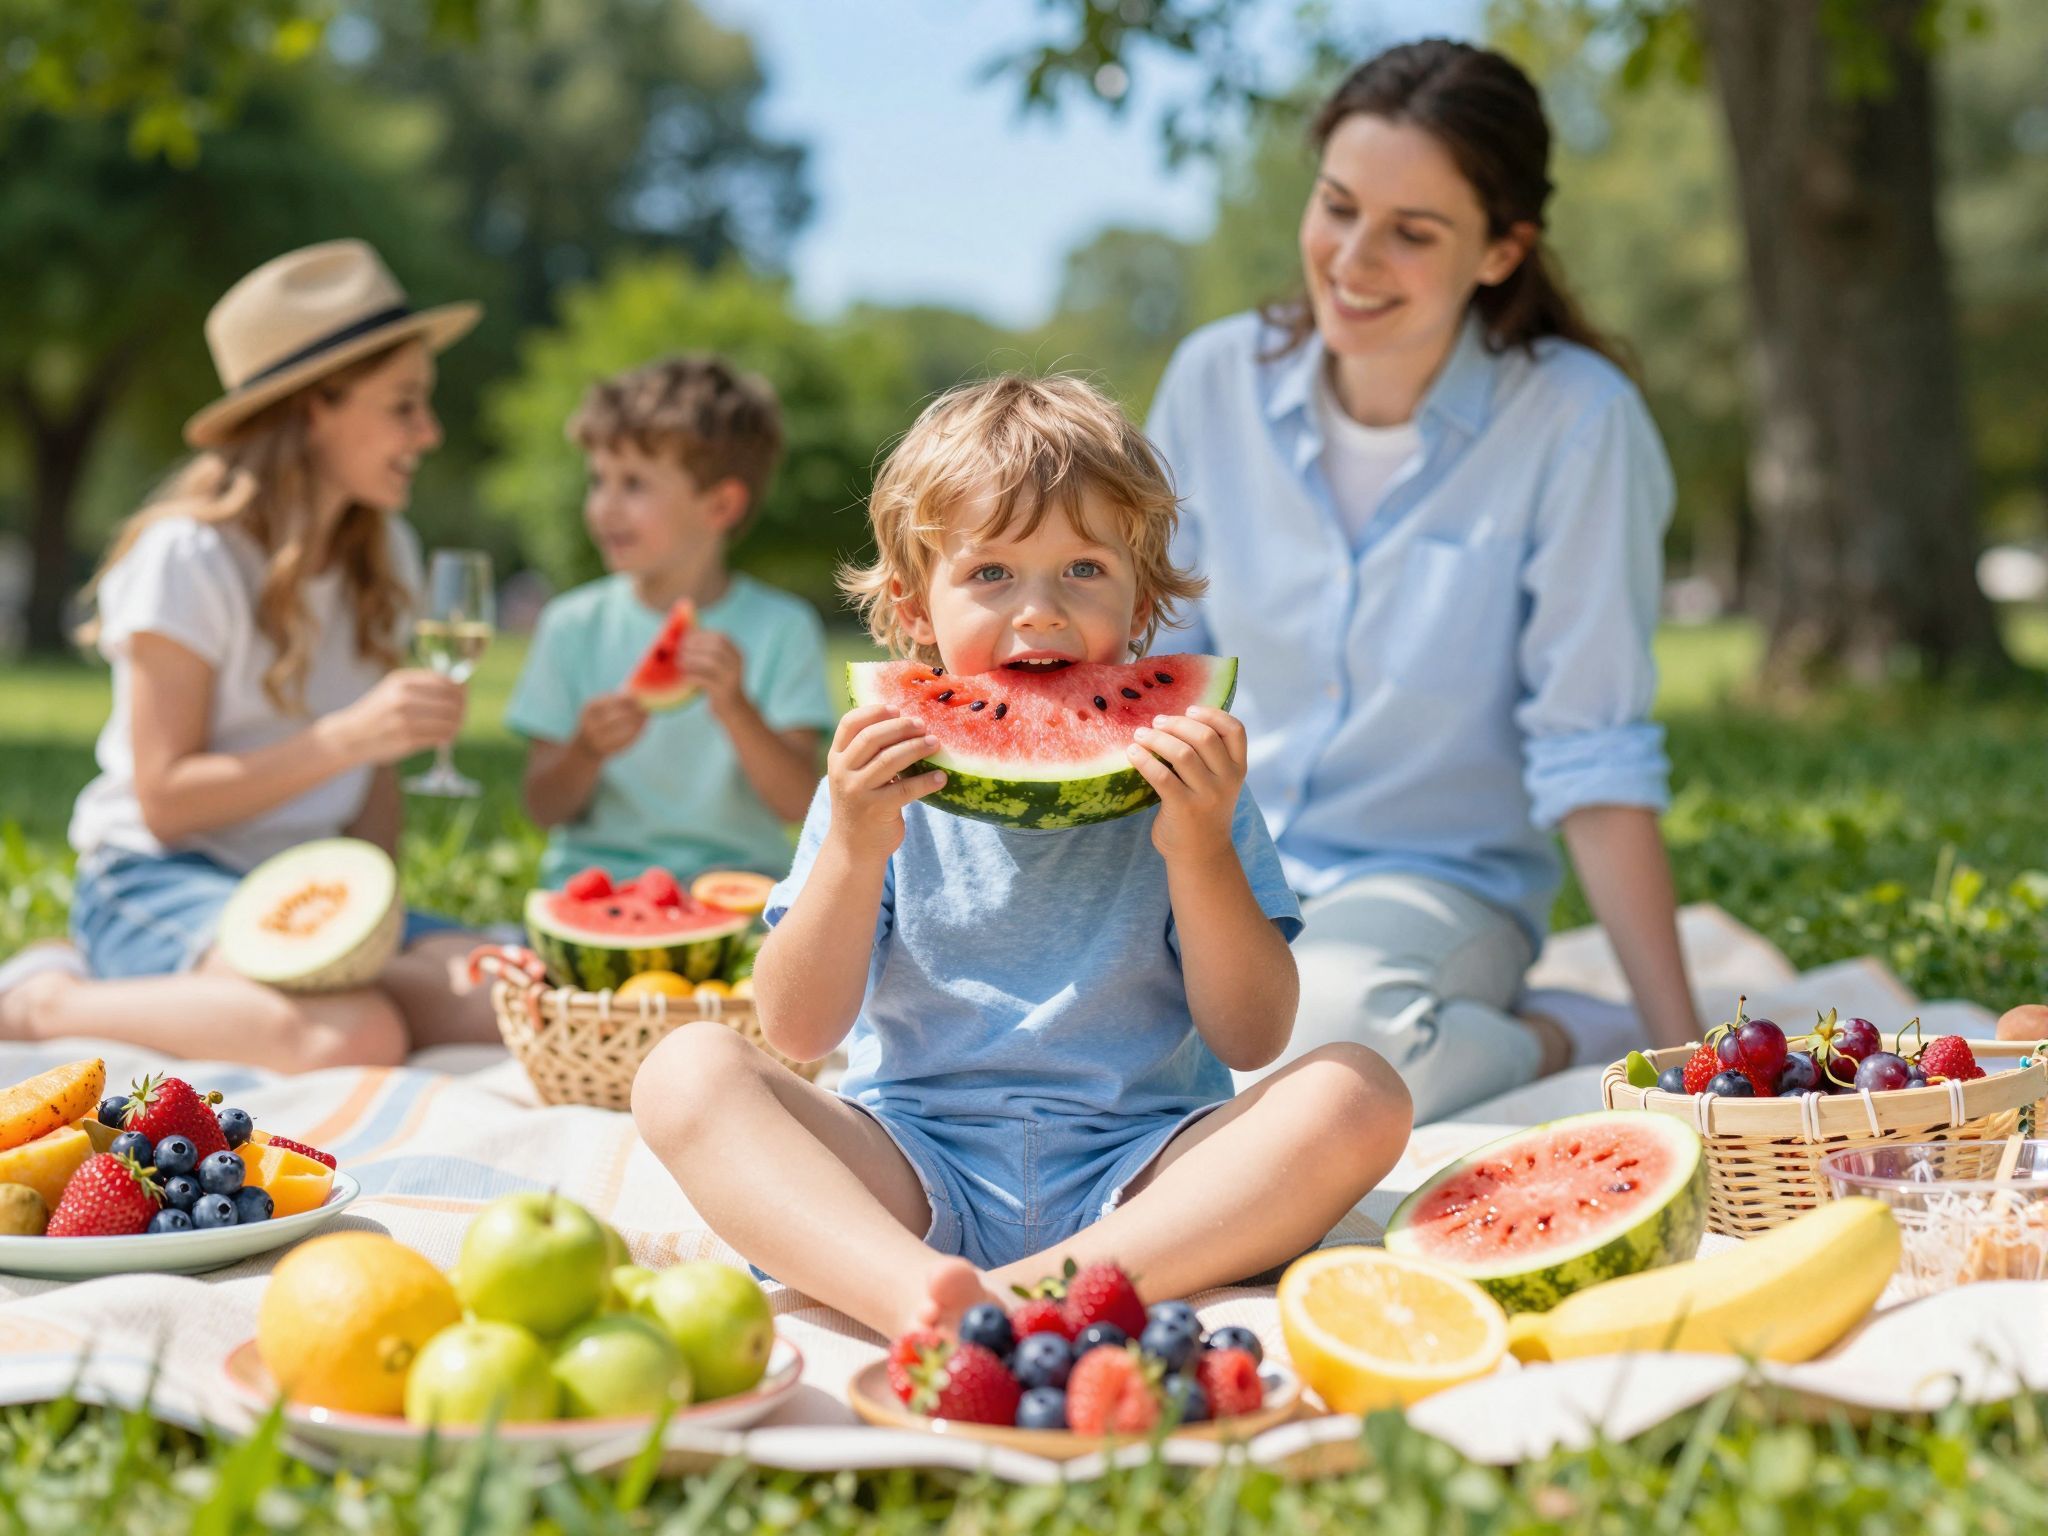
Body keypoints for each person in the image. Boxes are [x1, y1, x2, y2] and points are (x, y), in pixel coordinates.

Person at [632, 375, 1411, 1339]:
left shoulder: (1193, 776)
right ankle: (911, 1296)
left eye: (1083, 569)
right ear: (916, 608)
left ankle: (1015, 1302)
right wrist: (853, 848)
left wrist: (1200, 852)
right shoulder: (873, 774)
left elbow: (1253, 1038)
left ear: (1143, 604)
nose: (1038, 611)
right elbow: (797, 1028)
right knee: (686, 1070)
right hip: (912, 1165)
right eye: (991, 574)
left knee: (1360, 1093)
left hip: (1148, 1176)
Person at [1144, 39, 1700, 1124]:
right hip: (1214, 858)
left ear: (1499, 251)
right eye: (1337, 206)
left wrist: (1682, 1050)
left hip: (1438, 886)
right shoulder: (1215, 379)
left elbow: (1591, 747)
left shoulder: (1576, 423)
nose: (1352, 259)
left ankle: (1566, 1030)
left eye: (1411, 233)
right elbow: (1156, 654)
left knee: (1318, 1039)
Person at [0, 240, 501, 1070]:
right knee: (354, 1031)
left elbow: (373, 792)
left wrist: (376, 915)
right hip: (160, 876)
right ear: (313, 410)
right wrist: (348, 738)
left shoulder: (388, 553)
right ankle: (50, 1002)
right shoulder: (188, 556)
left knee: (506, 996)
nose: (429, 431)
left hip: (303, 881)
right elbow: (165, 799)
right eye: (405, 404)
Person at [507, 356, 833, 888]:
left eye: (633, 484)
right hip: (597, 887)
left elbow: (800, 804)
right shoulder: (569, 623)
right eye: (598, 480)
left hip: (738, 890)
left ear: (720, 504)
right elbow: (542, 807)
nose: (604, 507)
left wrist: (737, 709)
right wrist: (583, 752)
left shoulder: (783, 627)